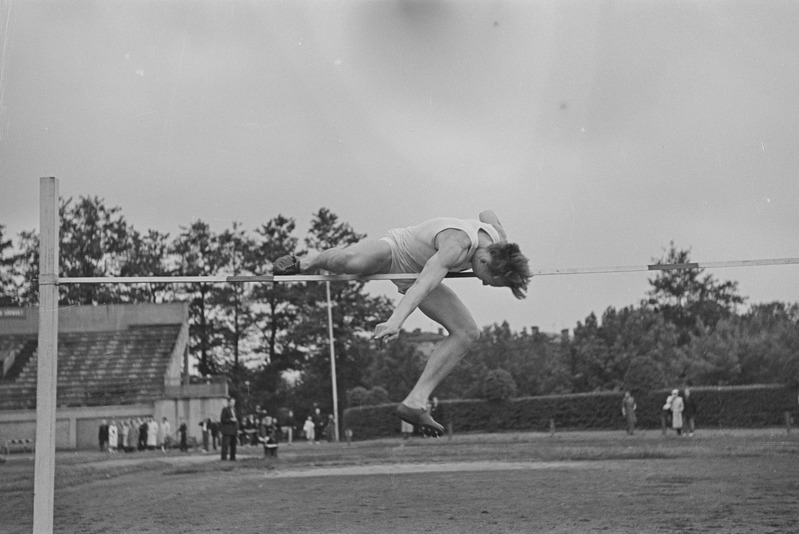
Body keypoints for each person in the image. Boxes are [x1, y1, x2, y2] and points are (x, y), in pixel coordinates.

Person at [272, 212, 530, 437]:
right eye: (486, 279)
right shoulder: (456, 246)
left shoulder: (498, 243)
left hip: (419, 275)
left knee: (467, 333)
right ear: (484, 261)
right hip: (397, 252)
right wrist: (395, 321)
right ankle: (305, 261)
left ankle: (415, 402)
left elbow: (487, 214)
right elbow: (423, 285)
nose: (483, 282)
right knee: (348, 263)